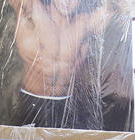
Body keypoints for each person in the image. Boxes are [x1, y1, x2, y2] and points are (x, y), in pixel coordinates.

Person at [8, 0, 109, 128]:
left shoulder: (83, 23)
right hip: (32, 101)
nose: (68, 1)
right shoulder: (34, 9)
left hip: (66, 105)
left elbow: (111, 11)